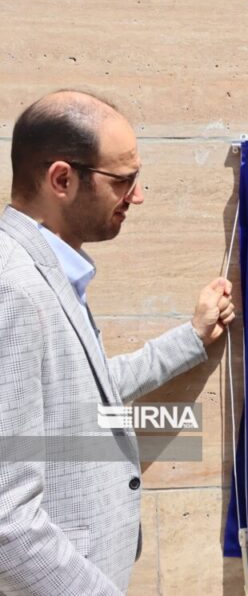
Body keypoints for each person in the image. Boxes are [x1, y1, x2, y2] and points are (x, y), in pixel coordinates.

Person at [0, 90, 235, 594]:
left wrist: (191, 338)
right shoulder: (12, 288)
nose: (137, 195)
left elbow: (84, 392)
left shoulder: (46, 270)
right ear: (62, 179)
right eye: (123, 179)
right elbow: (7, 522)